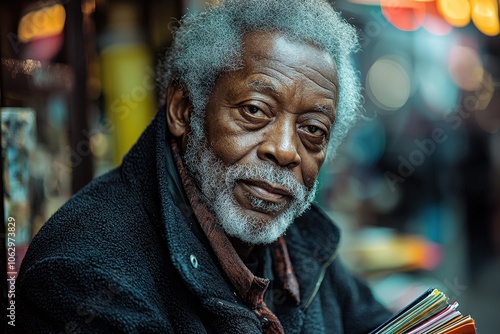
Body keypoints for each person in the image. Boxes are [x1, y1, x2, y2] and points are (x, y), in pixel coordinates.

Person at [16, 0, 392, 332]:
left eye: (312, 129)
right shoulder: (85, 272)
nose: (284, 150)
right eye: (254, 111)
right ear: (183, 109)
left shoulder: (299, 240)